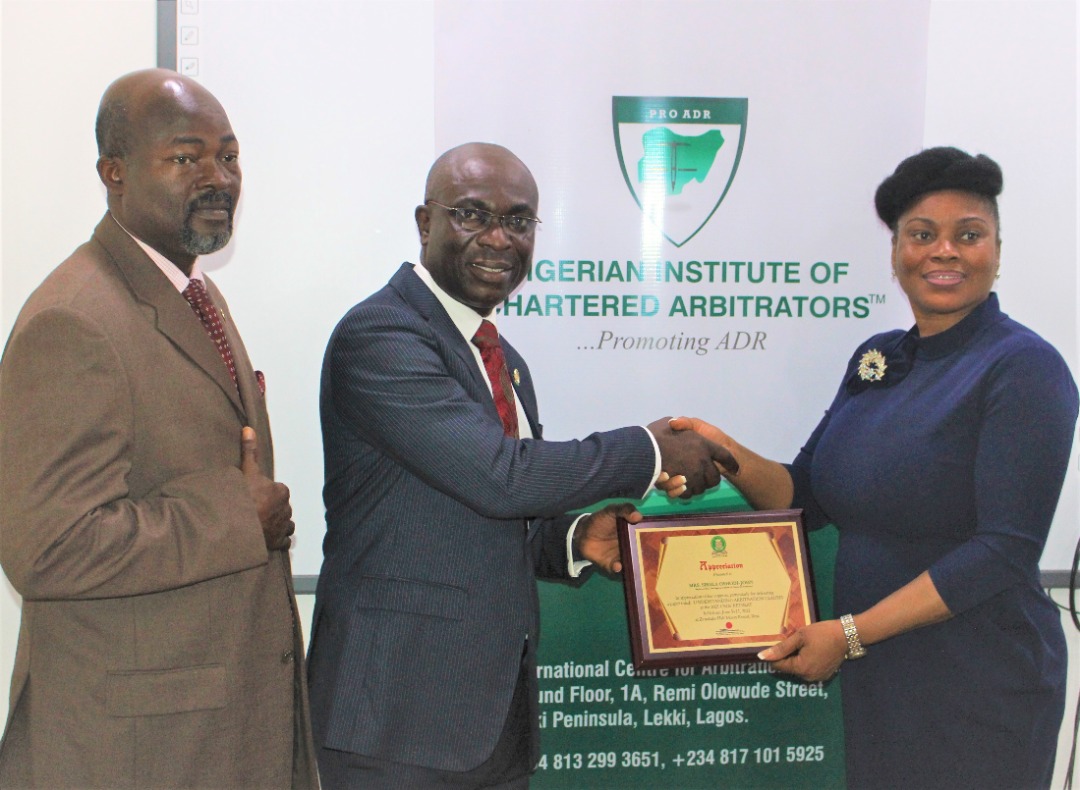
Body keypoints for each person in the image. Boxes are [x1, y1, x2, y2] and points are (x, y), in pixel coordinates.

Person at [308, 141, 736, 788]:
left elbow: (497, 511)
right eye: (471, 214)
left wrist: (574, 539)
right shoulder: (382, 336)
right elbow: (500, 476)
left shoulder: (503, 360)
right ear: (425, 223)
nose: (498, 238)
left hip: (493, 723)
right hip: (395, 721)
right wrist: (648, 450)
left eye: (518, 221)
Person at [663, 147, 1077, 789]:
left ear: (997, 251)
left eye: (969, 235)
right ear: (896, 252)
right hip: (883, 674)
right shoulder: (878, 358)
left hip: (980, 677)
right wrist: (721, 448)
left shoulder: (1024, 368)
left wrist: (850, 635)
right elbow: (806, 495)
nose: (944, 252)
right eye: (922, 235)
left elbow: (1003, 550)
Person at [0, 69, 318, 789]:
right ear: (113, 173)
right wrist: (237, 518)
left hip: (216, 732)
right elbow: (48, 548)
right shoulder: (73, 320)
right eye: (185, 157)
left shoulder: (195, 293)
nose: (218, 177)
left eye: (228, 156)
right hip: (139, 751)